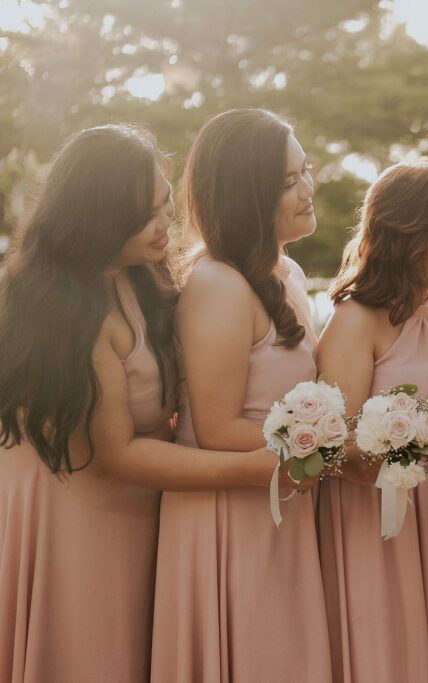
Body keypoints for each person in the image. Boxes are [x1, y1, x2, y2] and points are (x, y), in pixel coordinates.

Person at [0, 124, 286, 683]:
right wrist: (255, 469)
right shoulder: (65, 310)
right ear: (97, 218)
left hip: (137, 505)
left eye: (164, 203)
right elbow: (116, 455)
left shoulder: (142, 277)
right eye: (144, 215)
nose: (165, 226)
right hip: (74, 512)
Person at [150, 109, 331, 682]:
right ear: (246, 195)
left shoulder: (288, 270)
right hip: (230, 511)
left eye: (305, 171)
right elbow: (215, 427)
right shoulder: (216, 284)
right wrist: (327, 444)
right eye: (286, 183)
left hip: (281, 500)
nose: (306, 191)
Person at [316, 159, 428, 683]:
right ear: (414, 237)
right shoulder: (354, 322)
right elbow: (335, 451)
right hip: (378, 523)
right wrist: (405, 450)